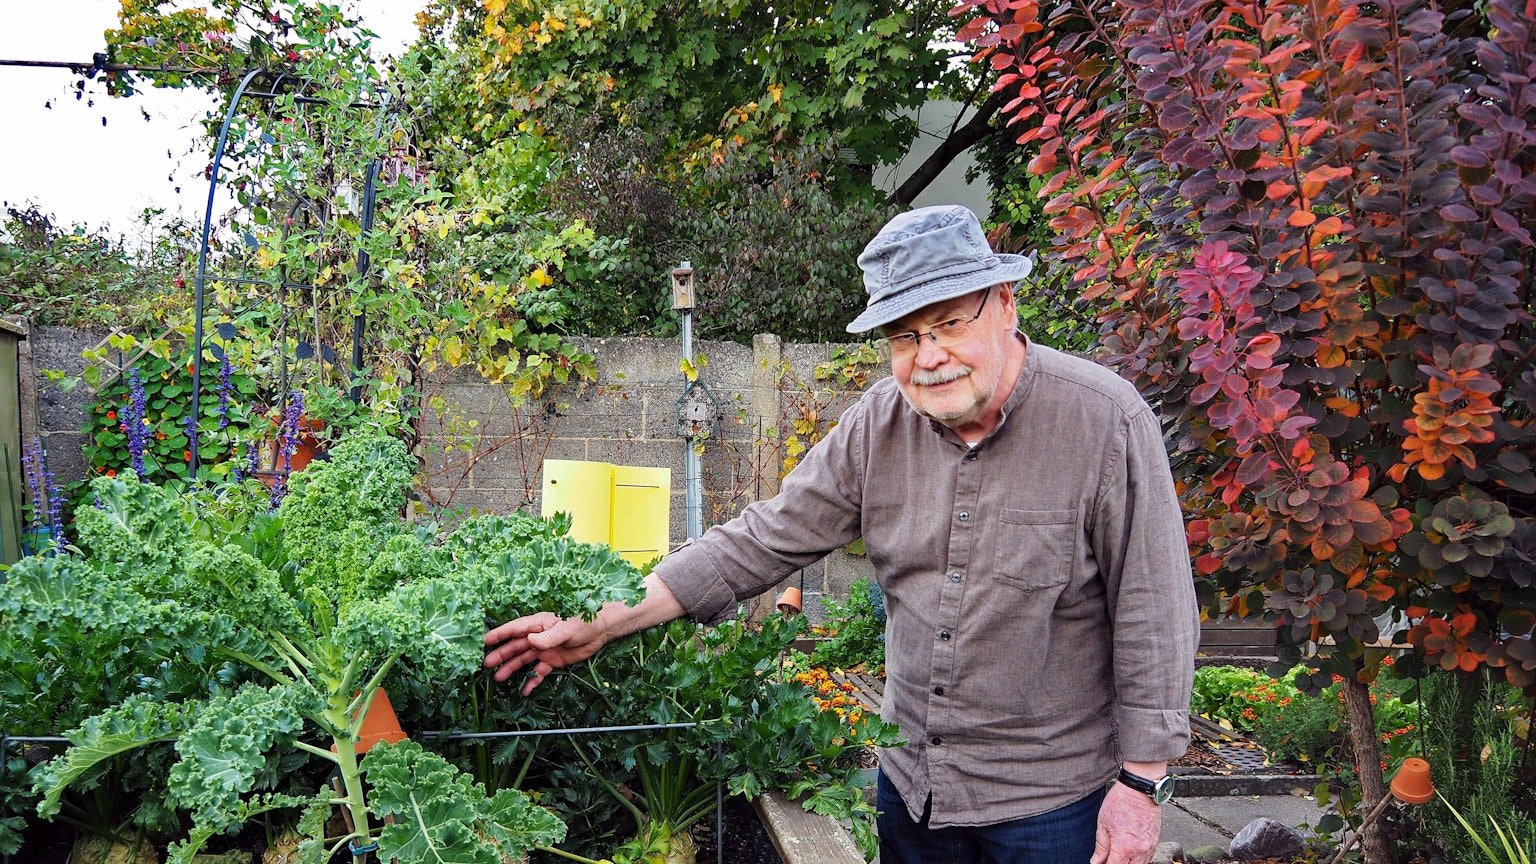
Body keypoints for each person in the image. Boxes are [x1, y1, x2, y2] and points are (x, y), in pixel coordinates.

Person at [484, 204, 1198, 864]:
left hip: (1051, 807)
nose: (929, 356)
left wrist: (1142, 788)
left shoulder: (1104, 422)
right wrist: (603, 622)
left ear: (1005, 305)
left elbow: (1155, 614)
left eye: (949, 323)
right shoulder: (877, 425)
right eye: (905, 336)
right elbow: (758, 540)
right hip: (913, 790)